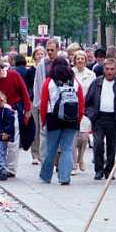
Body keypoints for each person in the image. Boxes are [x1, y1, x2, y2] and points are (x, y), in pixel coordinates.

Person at [0, 58, 31, 177]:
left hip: (12, 110)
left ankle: (10, 168)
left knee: (12, 140)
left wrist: (27, 109)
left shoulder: (14, 75)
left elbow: (24, 92)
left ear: (0, 70)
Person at [39, 57, 85, 186]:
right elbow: (81, 103)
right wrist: (78, 118)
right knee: (67, 149)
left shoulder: (49, 82)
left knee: (51, 149)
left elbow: (43, 103)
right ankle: (64, 177)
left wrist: (43, 121)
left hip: (53, 118)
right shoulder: (75, 82)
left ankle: (46, 176)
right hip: (72, 119)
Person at [84, 58, 116, 180]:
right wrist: (90, 114)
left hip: (114, 118)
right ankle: (98, 169)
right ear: (103, 69)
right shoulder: (97, 82)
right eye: (107, 69)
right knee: (98, 143)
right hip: (99, 117)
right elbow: (88, 101)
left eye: (112, 69)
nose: (109, 71)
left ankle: (109, 170)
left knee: (112, 146)